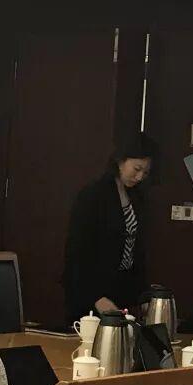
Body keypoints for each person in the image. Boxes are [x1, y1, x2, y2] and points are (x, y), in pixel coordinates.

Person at [62, 134, 155, 324]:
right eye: (136, 169)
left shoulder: (137, 197)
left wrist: (143, 294)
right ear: (120, 161)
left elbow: (137, 250)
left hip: (122, 288)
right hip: (92, 290)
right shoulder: (94, 195)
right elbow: (76, 252)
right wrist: (95, 296)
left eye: (145, 173)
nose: (139, 177)